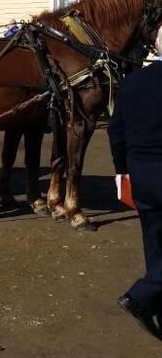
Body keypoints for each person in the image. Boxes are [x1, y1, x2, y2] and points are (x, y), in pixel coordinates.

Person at [108, 59, 162, 341]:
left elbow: (115, 131)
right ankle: (141, 295)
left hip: (141, 174)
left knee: (155, 242)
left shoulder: (132, 81)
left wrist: (122, 171)